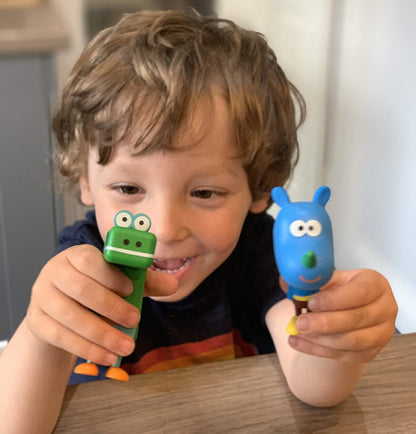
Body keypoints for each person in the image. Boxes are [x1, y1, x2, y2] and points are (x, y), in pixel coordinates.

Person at [0, 8, 397, 432]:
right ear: (85, 179)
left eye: (204, 193)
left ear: (259, 190)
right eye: (129, 190)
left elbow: (317, 390)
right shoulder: (86, 260)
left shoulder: (259, 254)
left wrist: (336, 340)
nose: (165, 230)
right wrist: (41, 333)